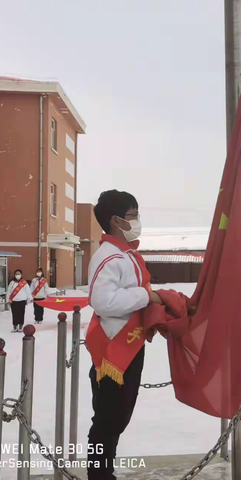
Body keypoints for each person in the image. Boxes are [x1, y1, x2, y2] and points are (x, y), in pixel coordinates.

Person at [85, 190, 164, 480]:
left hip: (129, 345)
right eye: (133, 215)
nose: (138, 220)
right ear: (117, 220)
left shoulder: (125, 254)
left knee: (117, 416)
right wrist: (146, 296)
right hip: (112, 349)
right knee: (107, 418)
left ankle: (104, 470)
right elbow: (103, 302)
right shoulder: (109, 257)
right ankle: (99, 473)